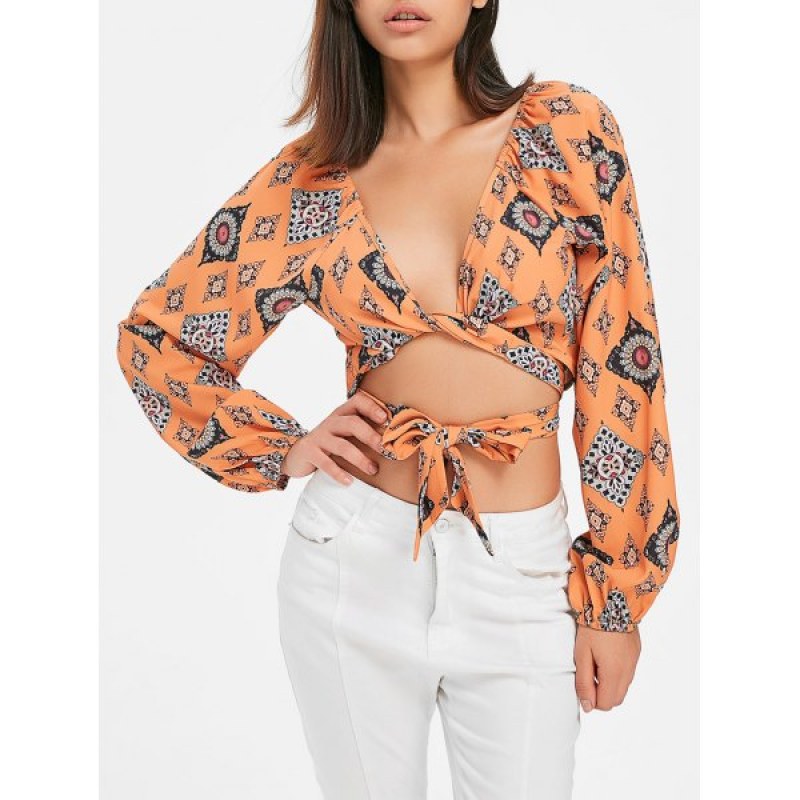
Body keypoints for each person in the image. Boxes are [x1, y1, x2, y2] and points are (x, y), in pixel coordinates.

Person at [115, 1, 681, 797]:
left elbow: (625, 362)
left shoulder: (565, 131)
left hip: (523, 574)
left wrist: (616, 598)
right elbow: (160, 338)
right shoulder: (312, 180)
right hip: (354, 563)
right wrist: (283, 447)